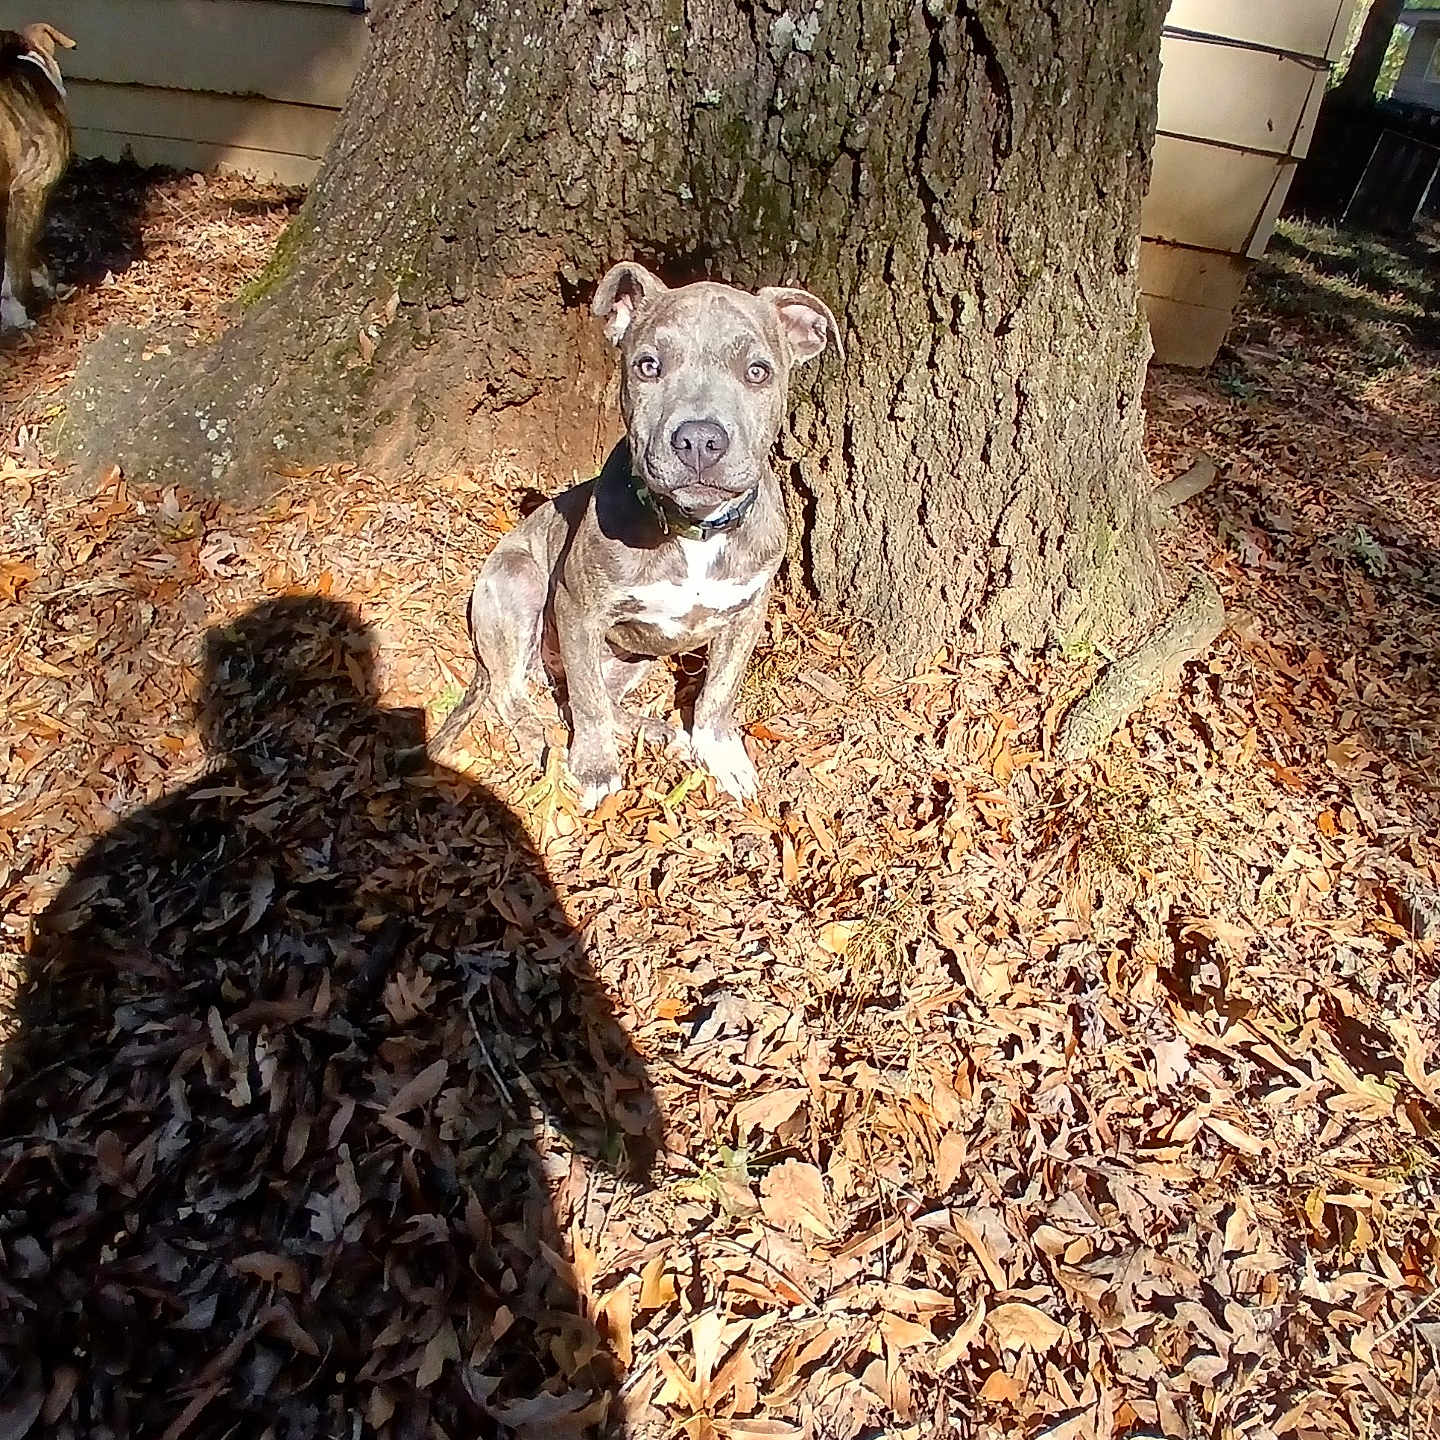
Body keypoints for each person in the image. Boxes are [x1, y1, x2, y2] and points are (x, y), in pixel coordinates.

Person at [0, 595, 656, 1439]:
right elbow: (554, 994)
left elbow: (54, 1067)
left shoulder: (138, 851)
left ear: (226, 711)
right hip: (386, 1276)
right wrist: (615, 1129)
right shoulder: (462, 815)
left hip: (149, 1311)